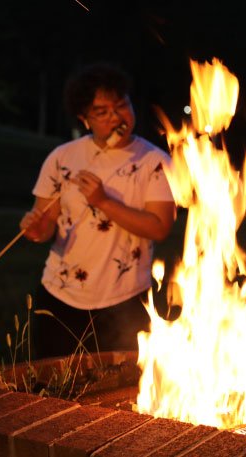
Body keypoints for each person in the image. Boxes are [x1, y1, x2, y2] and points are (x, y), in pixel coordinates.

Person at [20, 62, 176, 359]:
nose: (116, 117)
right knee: (52, 389)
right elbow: (45, 225)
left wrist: (104, 201)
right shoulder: (62, 157)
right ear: (84, 118)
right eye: (102, 112)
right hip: (59, 295)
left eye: (121, 105)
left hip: (124, 299)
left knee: (119, 395)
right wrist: (36, 230)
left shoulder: (154, 162)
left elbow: (159, 227)